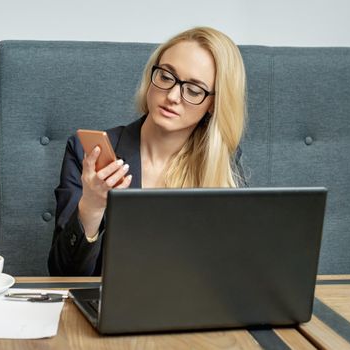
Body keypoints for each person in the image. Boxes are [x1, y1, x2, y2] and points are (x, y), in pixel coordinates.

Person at [48, 26, 247, 276]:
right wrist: (92, 207)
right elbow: (63, 274)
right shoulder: (88, 152)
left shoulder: (222, 162)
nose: (173, 96)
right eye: (166, 77)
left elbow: (233, 270)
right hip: (110, 309)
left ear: (214, 104)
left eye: (194, 90)